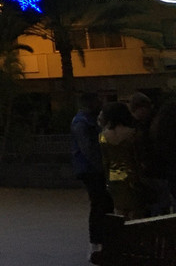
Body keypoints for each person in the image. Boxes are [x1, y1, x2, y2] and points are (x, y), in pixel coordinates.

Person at [71, 93, 113, 263]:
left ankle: (100, 241)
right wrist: (102, 167)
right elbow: (88, 148)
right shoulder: (83, 122)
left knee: (101, 203)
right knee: (99, 203)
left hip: (90, 169)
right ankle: (96, 242)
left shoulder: (86, 120)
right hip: (91, 170)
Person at [99, 101, 151, 220]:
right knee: (136, 211)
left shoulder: (103, 136)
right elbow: (138, 156)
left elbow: (105, 160)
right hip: (132, 175)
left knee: (120, 211)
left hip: (114, 177)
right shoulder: (133, 134)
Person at [128, 92, 173, 215]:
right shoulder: (156, 121)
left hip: (153, 169)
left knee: (158, 202)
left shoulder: (147, 125)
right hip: (157, 169)